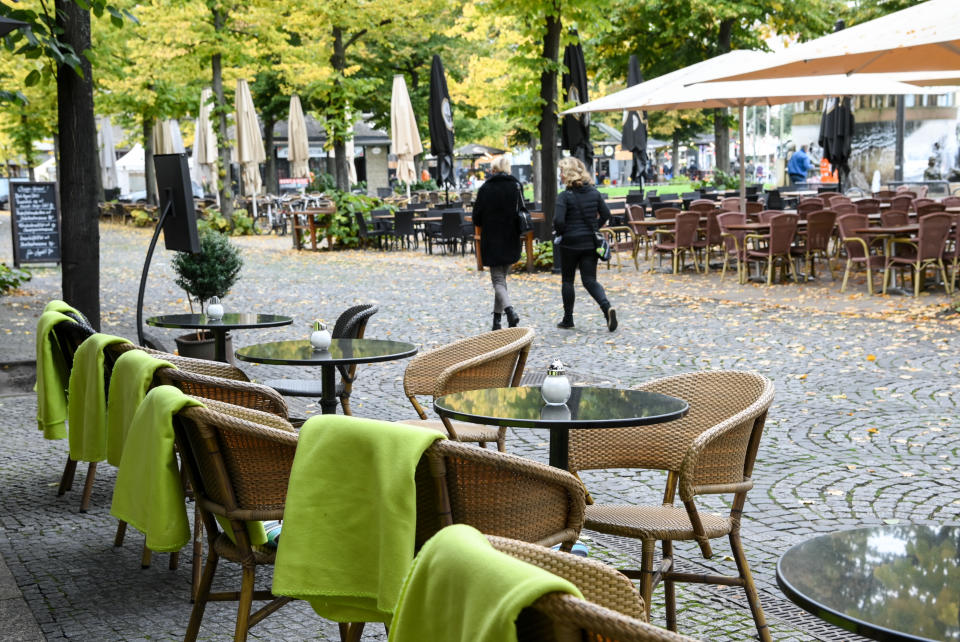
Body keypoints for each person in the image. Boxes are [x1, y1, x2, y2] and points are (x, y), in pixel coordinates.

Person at [553, 157, 617, 332]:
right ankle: (606, 308)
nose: (560, 175)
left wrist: (563, 232)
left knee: (567, 280)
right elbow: (606, 214)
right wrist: (594, 226)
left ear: (567, 174)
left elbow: (558, 221)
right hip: (590, 242)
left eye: (561, 172)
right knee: (589, 280)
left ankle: (568, 319)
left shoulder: (564, 196)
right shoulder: (594, 193)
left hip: (570, 243)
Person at [471, 156, 523, 330]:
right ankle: (497, 321)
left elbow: (476, 217)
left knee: (498, 280)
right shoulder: (516, 186)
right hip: (511, 237)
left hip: (492, 238)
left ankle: (510, 312)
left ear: (493, 169)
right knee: (502, 280)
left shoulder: (486, 188)